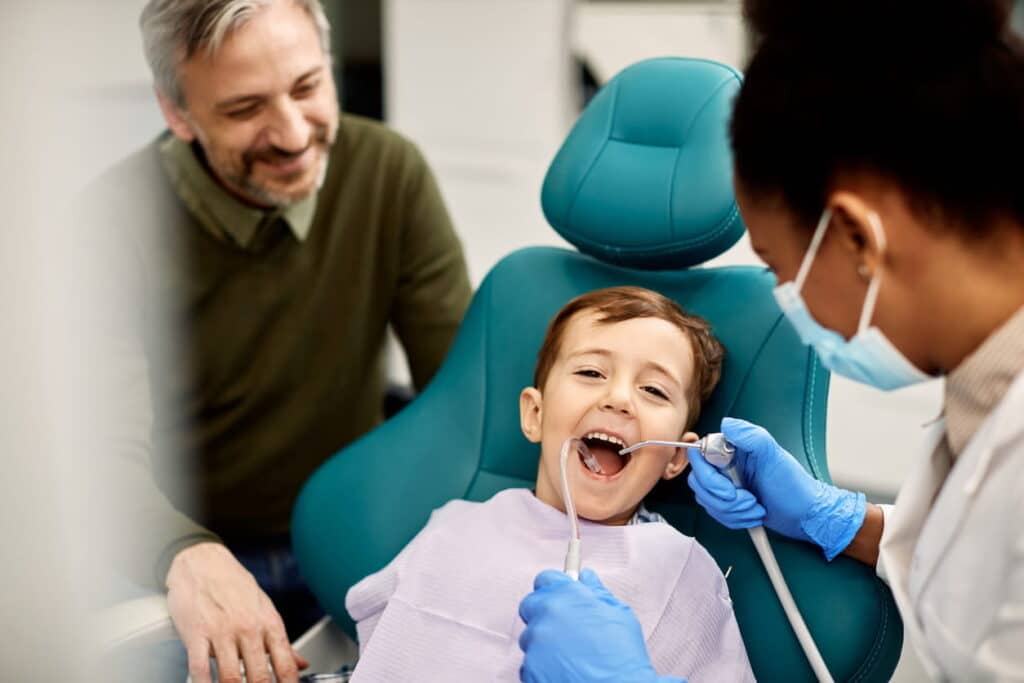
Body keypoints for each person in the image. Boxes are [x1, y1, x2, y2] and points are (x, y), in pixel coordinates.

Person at [516, 1, 1024, 680]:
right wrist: (848, 522)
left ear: (856, 239)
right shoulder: (987, 391)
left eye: (779, 268)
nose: (787, 298)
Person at [80, 1, 471, 681]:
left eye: (308, 87)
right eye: (243, 109)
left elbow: (466, 397)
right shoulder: (110, 223)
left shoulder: (388, 172)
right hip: (189, 554)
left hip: (349, 535)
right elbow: (101, 460)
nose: (292, 134)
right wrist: (186, 554)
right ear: (177, 113)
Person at [344, 287, 754, 682]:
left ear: (677, 457)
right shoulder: (453, 527)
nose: (618, 398)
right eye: (592, 372)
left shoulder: (681, 570)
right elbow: (375, 642)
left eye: (653, 390)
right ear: (535, 414)